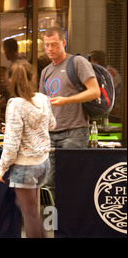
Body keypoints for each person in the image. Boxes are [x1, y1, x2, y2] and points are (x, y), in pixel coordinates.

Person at [0, 60, 56, 238]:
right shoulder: (43, 99)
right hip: (43, 163)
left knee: (30, 214)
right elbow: (52, 124)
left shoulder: (15, 104)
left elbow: (12, 144)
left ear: (10, 80)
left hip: (25, 166)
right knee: (31, 210)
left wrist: (3, 166)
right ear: (32, 78)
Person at [39, 26, 100, 195]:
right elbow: (43, 104)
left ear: (64, 43)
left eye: (54, 44)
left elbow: (95, 91)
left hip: (75, 131)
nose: (50, 49)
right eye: (46, 45)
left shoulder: (77, 62)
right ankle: (53, 221)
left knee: (72, 182)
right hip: (50, 134)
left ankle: (71, 221)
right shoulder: (46, 71)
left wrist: (66, 100)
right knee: (49, 183)